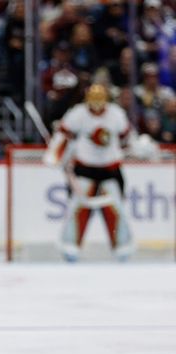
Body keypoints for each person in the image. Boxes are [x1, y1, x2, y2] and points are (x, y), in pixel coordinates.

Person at [43, 84, 135, 261]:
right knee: (77, 208)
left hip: (111, 169)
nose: (97, 103)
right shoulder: (77, 114)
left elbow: (126, 138)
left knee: (116, 209)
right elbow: (63, 136)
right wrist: (54, 154)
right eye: (94, 99)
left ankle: (123, 248)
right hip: (85, 169)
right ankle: (70, 247)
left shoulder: (116, 114)